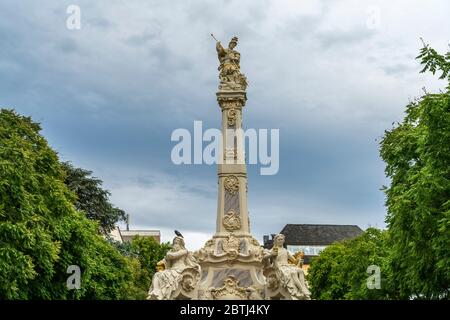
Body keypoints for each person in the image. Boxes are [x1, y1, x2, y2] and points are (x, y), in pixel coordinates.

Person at [147, 235, 200, 300]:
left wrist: (168, 255)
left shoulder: (184, 251)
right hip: (171, 270)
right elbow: (163, 262)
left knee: (168, 278)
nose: (175, 245)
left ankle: (162, 293)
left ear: (181, 244)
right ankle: (156, 292)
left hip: (180, 271)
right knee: (157, 274)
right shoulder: (170, 253)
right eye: (174, 243)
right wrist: (160, 265)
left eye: (177, 243)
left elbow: (173, 256)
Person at [264, 234, 311, 300]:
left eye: (282, 239)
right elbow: (264, 257)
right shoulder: (274, 249)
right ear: (276, 241)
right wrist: (271, 254)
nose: (280, 241)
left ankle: (304, 289)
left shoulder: (285, 251)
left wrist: (299, 259)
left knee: (300, 271)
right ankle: (301, 290)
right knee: (293, 273)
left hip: (287, 266)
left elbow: (294, 261)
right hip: (279, 267)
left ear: (284, 240)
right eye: (279, 239)